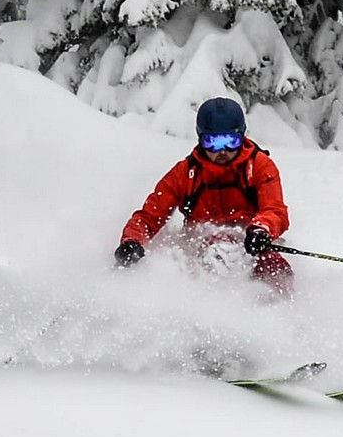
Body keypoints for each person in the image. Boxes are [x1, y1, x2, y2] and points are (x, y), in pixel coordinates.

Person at [115, 98, 292, 295]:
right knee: (216, 258)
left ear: (242, 137)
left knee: (277, 271)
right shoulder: (185, 173)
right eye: (213, 142)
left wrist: (261, 231)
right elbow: (149, 217)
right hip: (203, 246)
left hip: (251, 243)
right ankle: (206, 314)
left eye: (230, 142)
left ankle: (281, 317)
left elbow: (275, 209)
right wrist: (132, 241)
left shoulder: (259, 166)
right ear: (200, 139)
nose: (222, 151)